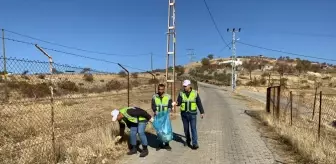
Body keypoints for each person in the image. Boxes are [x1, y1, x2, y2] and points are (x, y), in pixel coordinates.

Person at [172, 79, 204, 150]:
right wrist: (175, 103)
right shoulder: (181, 93)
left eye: (186, 86)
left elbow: (199, 102)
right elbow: (179, 102)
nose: (184, 87)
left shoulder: (195, 93)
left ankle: (195, 144)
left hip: (192, 114)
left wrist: (202, 112)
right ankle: (188, 141)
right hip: (184, 114)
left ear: (189, 86)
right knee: (186, 129)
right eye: (184, 86)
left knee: (193, 129)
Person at [152, 83, 173, 151]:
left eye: (161, 89)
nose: (160, 91)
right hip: (158, 116)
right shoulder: (154, 96)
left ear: (164, 89)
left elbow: (170, 105)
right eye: (159, 89)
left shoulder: (168, 96)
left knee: (166, 130)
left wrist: (170, 109)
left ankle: (167, 144)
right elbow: (153, 105)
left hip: (166, 116)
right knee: (159, 130)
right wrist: (155, 110)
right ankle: (160, 144)